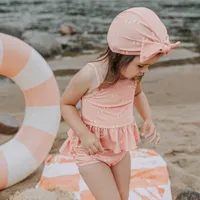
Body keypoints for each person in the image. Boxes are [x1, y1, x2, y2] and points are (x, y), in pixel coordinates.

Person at [60, 7, 180, 200]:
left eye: (148, 66)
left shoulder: (133, 75)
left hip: (120, 150)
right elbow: (66, 104)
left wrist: (147, 118)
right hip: (92, 151)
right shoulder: (90, 74)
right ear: (121, 56)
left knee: (123, 197)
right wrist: (84, 134)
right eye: (141, 65)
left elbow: (138, 95)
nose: (145, 71)